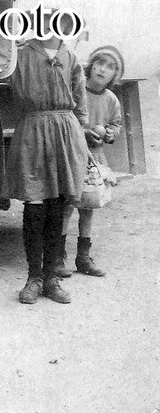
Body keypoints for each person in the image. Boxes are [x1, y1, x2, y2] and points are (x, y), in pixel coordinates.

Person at [7, 11, 88, 305]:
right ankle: (33, 277)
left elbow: (80, 103)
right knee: (35, 203)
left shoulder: (71, 58)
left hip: (66, 134)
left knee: (58, 204)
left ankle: (52, 278)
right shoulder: (20, 54)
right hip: (33, 131)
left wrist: (82, 141)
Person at [57, 46, 124, 279]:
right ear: (91, 65)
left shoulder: (111, 99)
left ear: (115, 75)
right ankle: (58, 257)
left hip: (95, 158)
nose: (102, 70)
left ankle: (83, 258)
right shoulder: (78, 89)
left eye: (109, 67)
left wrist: (110, 133)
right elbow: (68, 117)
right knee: (66, 205)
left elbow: (116, 124)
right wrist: (84, 131)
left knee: (89, 207)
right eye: (99, 64)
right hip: (75, 154)